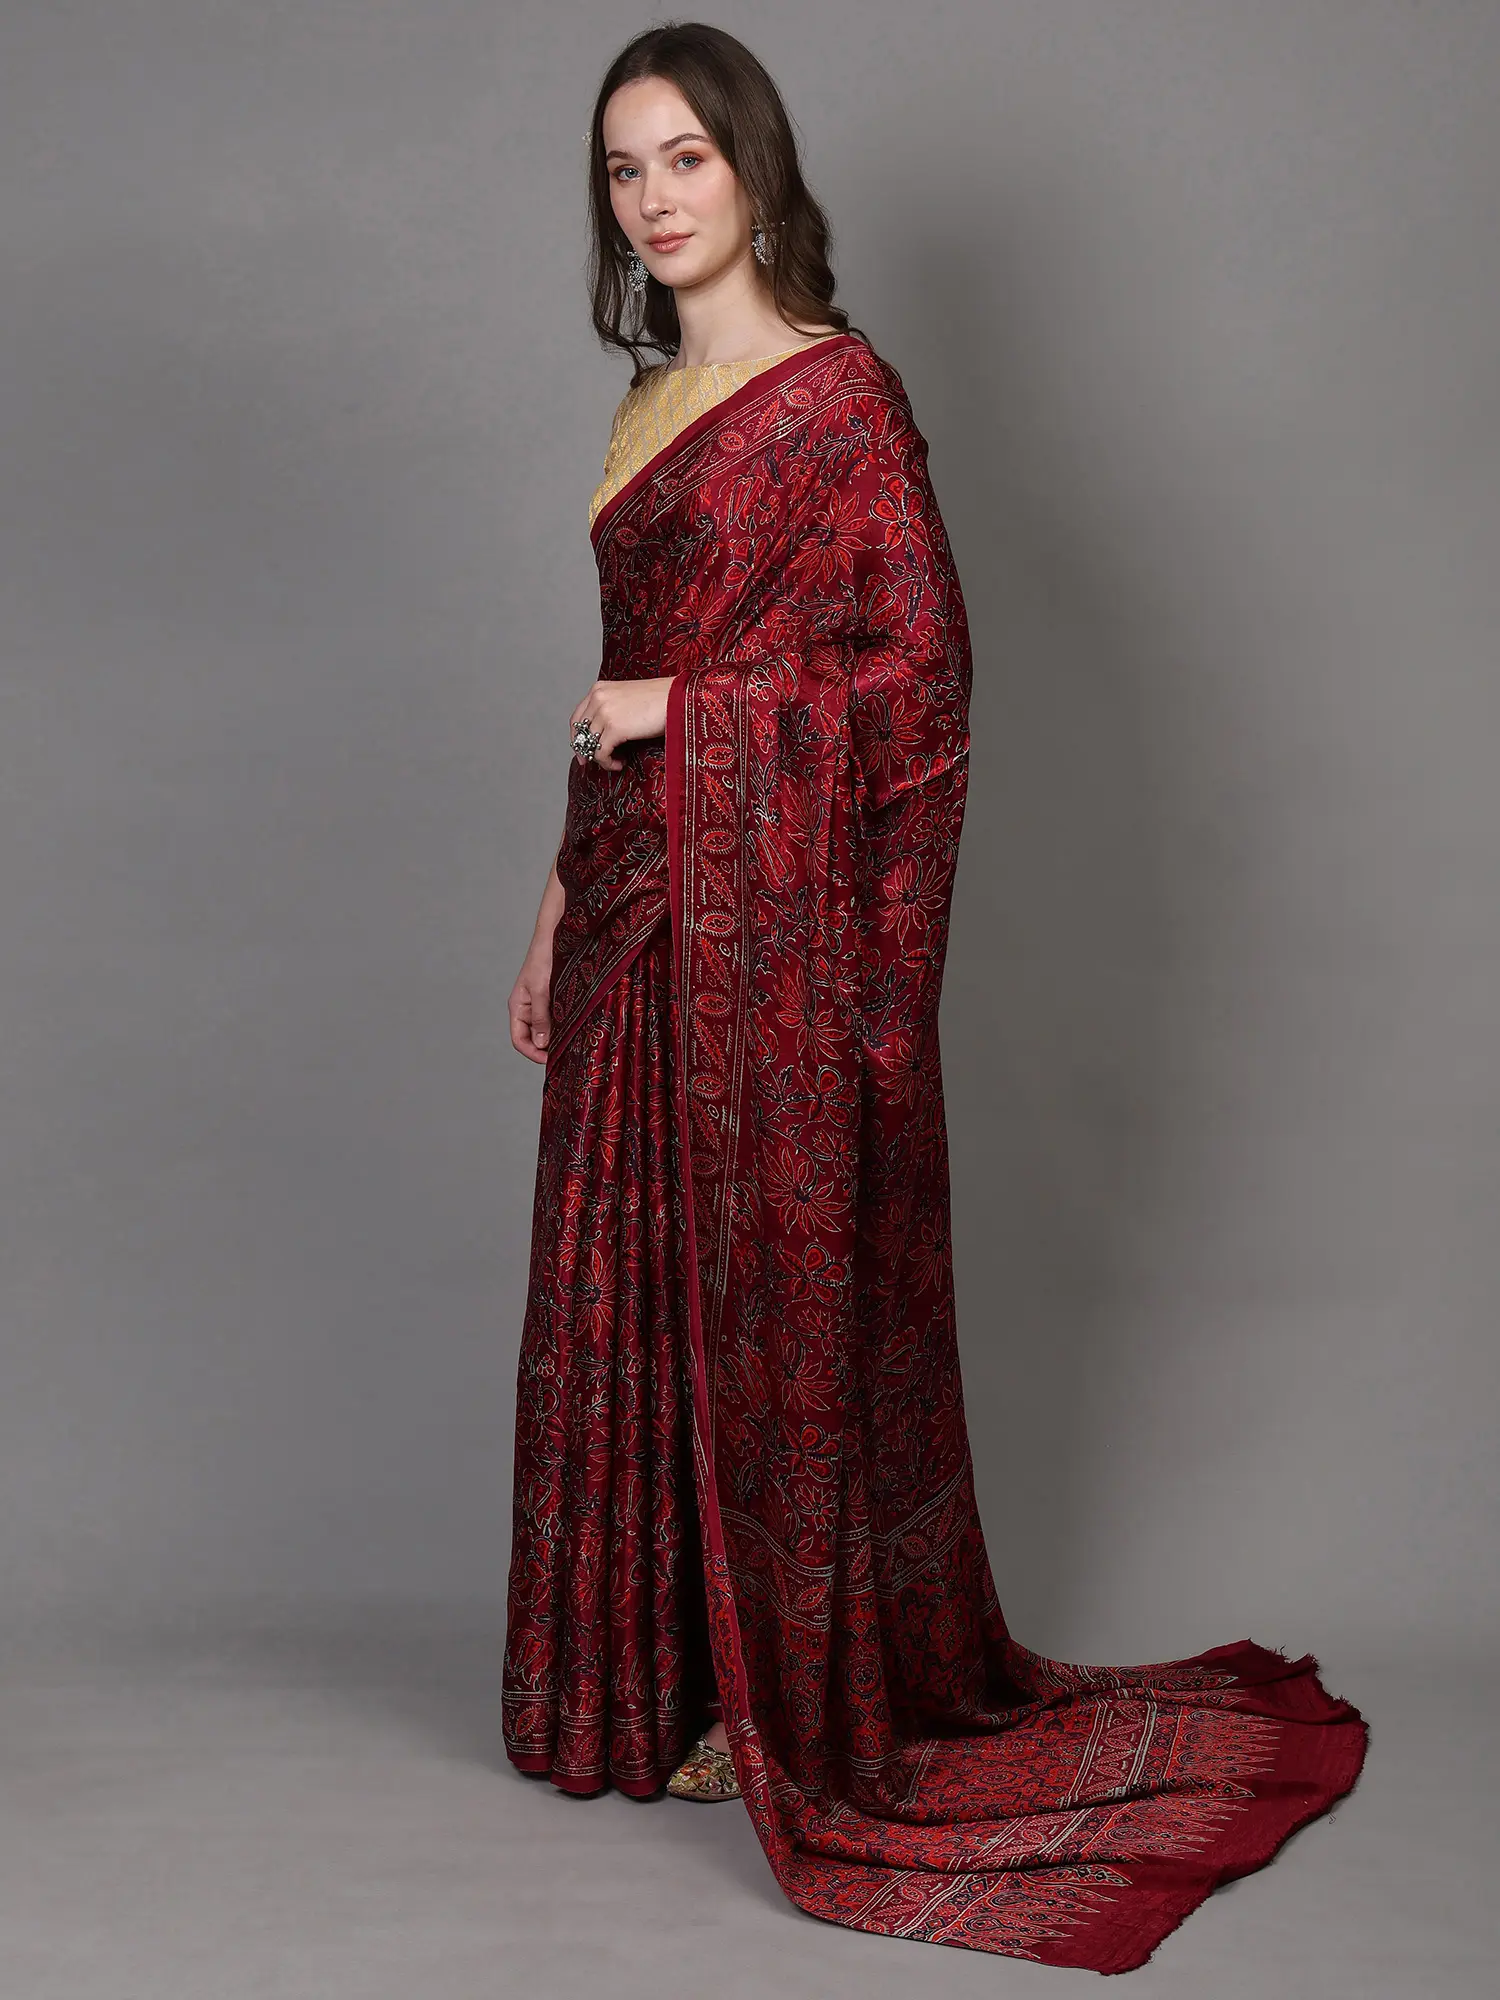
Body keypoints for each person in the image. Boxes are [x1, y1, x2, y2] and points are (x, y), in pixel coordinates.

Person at [501, 21, 1367, 1974]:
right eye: (624, 168)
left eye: (687, 157)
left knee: (763, 1294)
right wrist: (553, 900)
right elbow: (609, 688)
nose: (655, 198)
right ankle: (658, 1689)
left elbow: (917, 695)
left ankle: (790, 1709)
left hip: (763, 926)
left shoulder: (842, 400)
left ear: (756, 168)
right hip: (635, 900)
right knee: (637, 1282)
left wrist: (683, 712)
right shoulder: (646, 407)